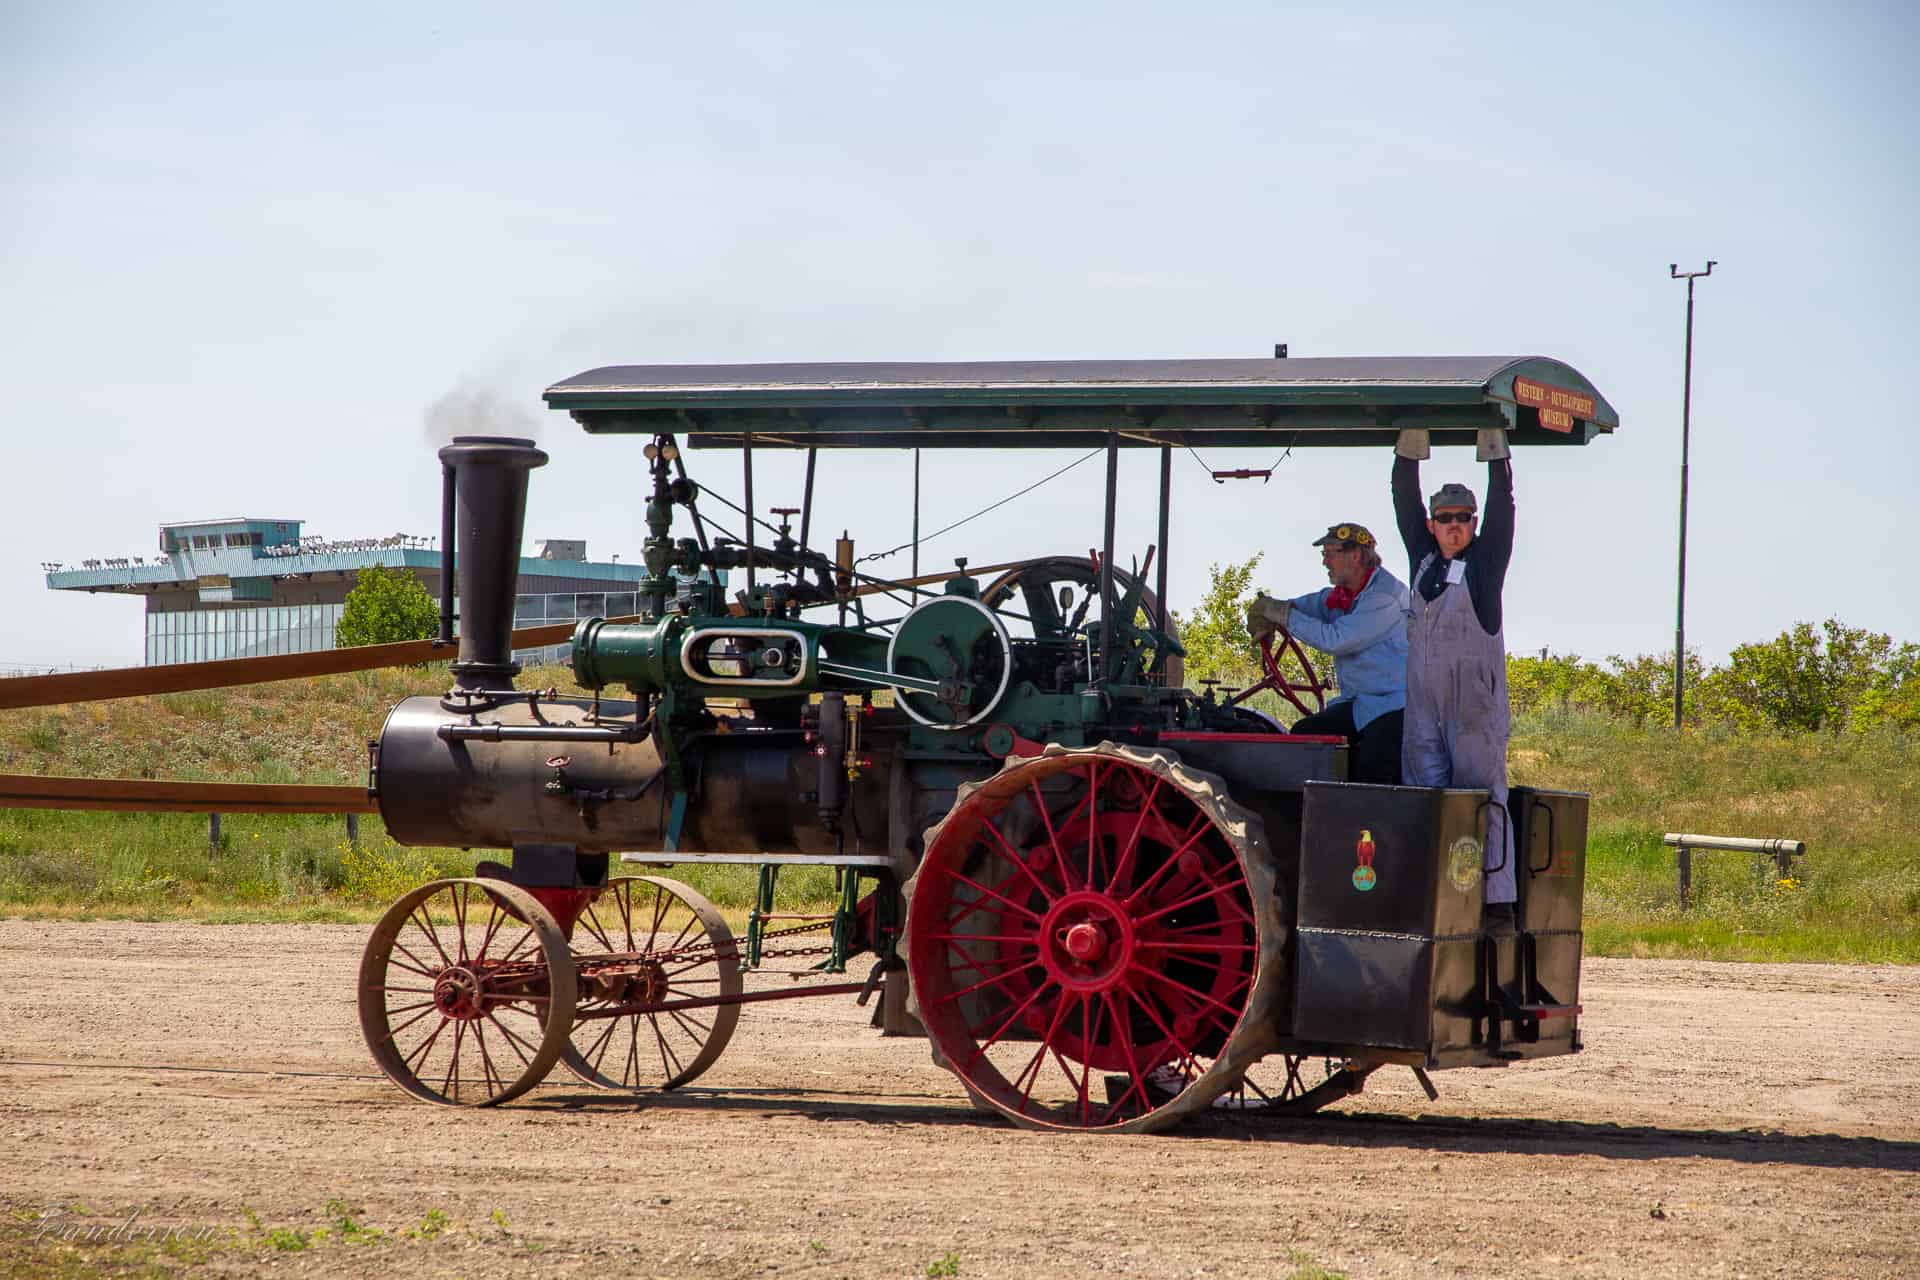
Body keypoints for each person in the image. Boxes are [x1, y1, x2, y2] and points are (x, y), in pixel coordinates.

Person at [1391, 426, 1517, 934]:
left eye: (1462, 518)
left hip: (1475, 704)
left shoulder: (1487, 562)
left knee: (1484, 797)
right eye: (1444, 519)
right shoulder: (1421, 558)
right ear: (1432, 523)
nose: (1453, 527)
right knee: (1426, 797)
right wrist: (1408, 449)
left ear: (1473, 523)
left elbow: (1504, 504)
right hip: (1424, 701)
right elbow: (1403, 500)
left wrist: (1495, 449)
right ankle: (1434, 897)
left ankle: (1497, 905)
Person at [1245, 522, 1408, 786]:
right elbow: (1296, 608)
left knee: (1371, 768)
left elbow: (1336, 640)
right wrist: (1268, 612)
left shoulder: (1384, 597)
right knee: (1304, 737)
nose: (1324, 561)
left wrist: (1282, 615)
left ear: (1354, 556)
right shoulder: (1340, 597)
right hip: (1363, 705)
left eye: (1330, 553)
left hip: (1393, 709)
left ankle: (1362, 821)